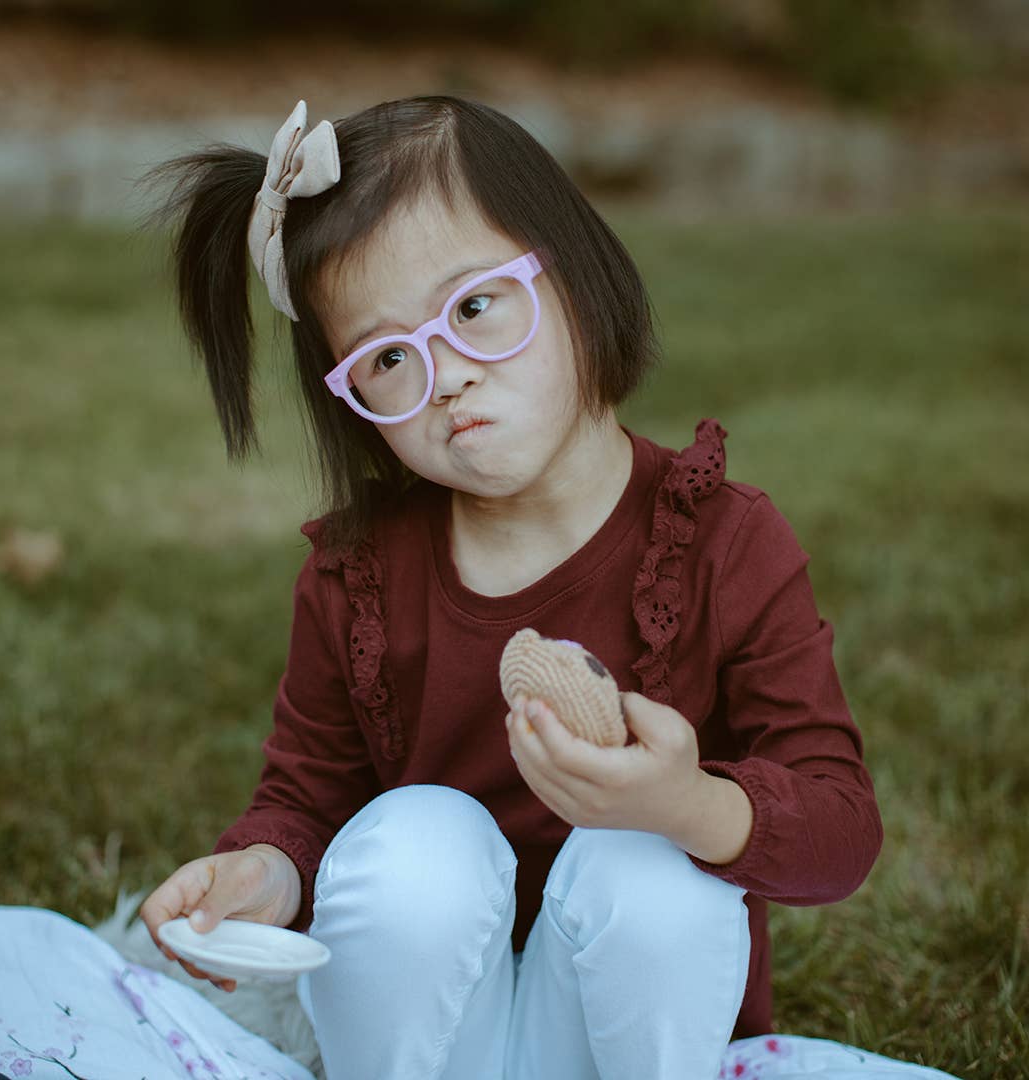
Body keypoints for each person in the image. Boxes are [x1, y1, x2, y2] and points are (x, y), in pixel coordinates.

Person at [137, 96, 890, 1080]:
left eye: (475, 308)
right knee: (413, 836)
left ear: (577, 275)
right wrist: (265, 873)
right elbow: (309, 798)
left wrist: (690, 803)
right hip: (441, 1033)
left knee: (648, 858)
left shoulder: (722, 543)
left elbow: (841, 829)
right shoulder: (357, 577)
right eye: (389, 359)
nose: (444, 378)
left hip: (630, 1029)